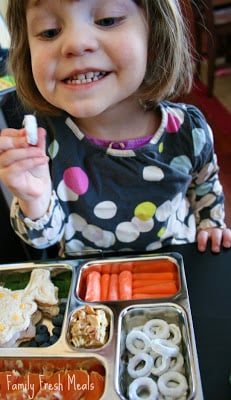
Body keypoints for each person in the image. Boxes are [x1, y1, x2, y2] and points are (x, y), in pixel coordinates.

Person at [0, 0, 230, 257]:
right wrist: (34, 198)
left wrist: (211, 222)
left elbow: (205, 185)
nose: (76, 44)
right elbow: (43, 239)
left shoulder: (188, 130)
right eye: (50, 31)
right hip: (90, 287)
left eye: (107, 20)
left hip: (177, 269)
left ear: (154, 35)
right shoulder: (45, 142)